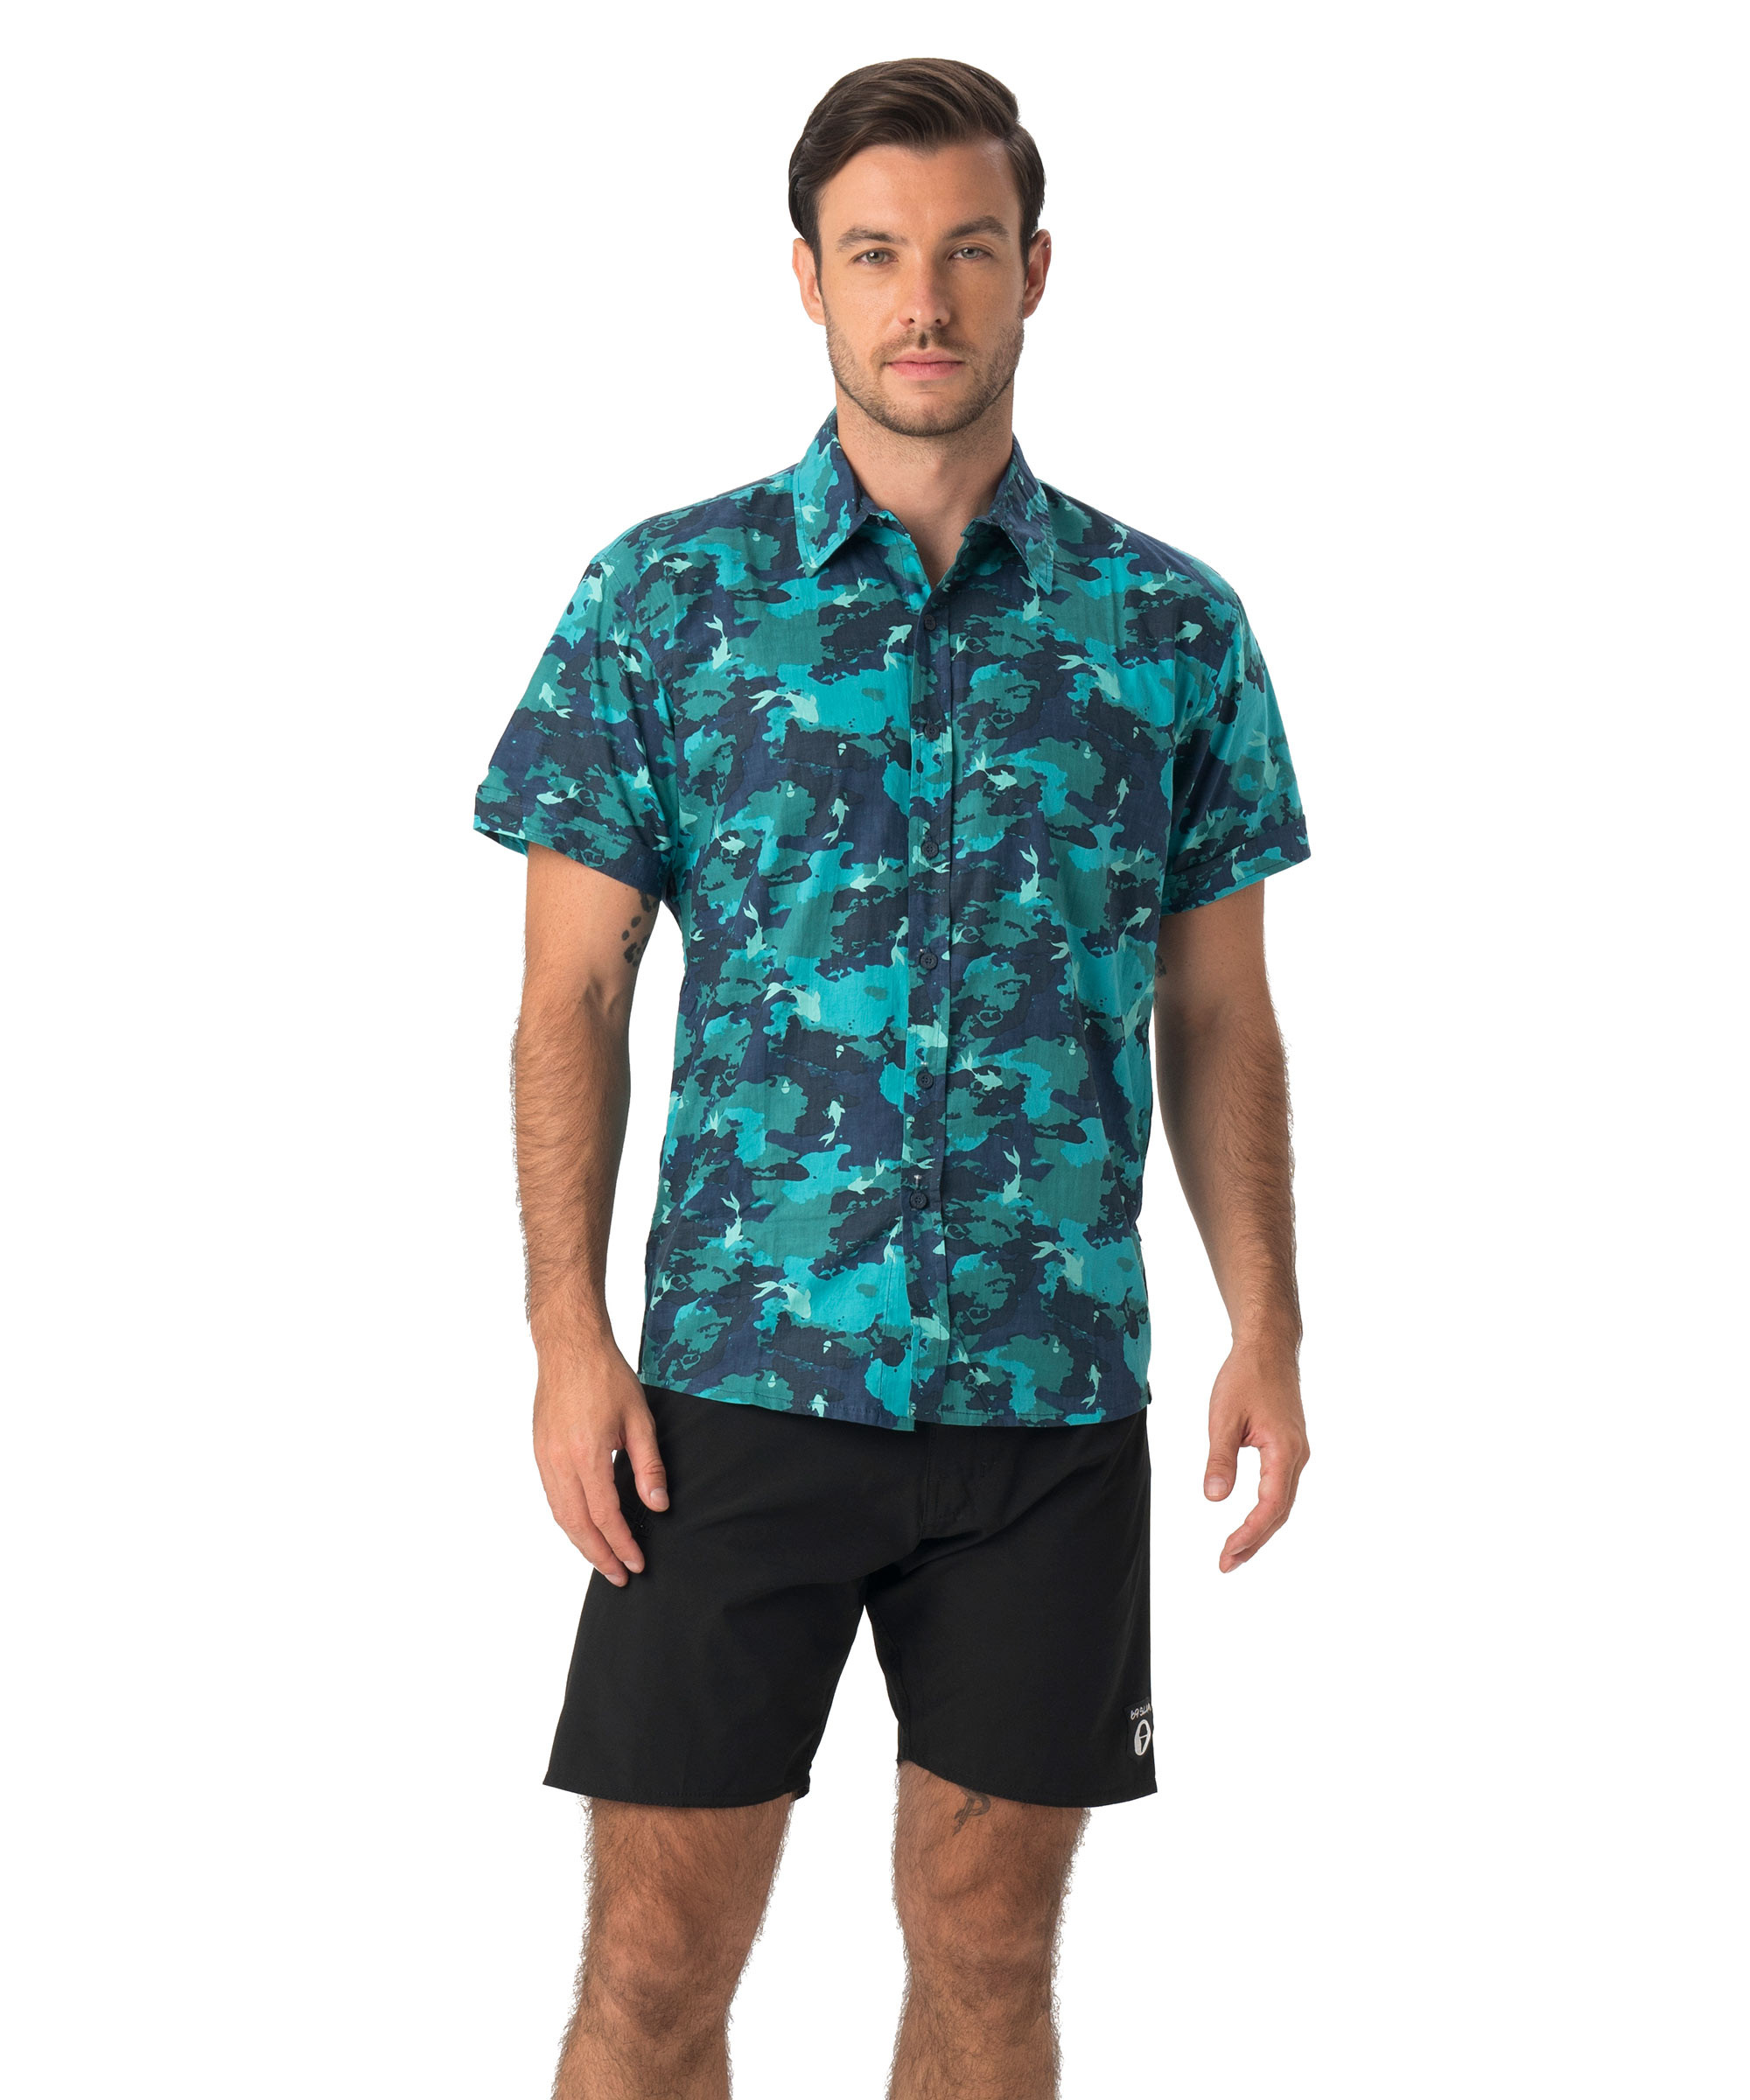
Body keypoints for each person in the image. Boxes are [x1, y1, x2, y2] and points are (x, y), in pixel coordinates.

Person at [473, 53, 1312, 2100]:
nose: (920, 299)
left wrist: (1268, 1327)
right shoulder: (667, 602)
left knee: (990, 1956)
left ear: (1035, 270)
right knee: (654, 1969)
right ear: (807, 279)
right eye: (873, 255)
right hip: (727, 1405)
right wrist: (566, 1337)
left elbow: (1218, 1012)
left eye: (962, 251)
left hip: (1045, 1405)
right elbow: (573, 993)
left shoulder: (1166, 628)